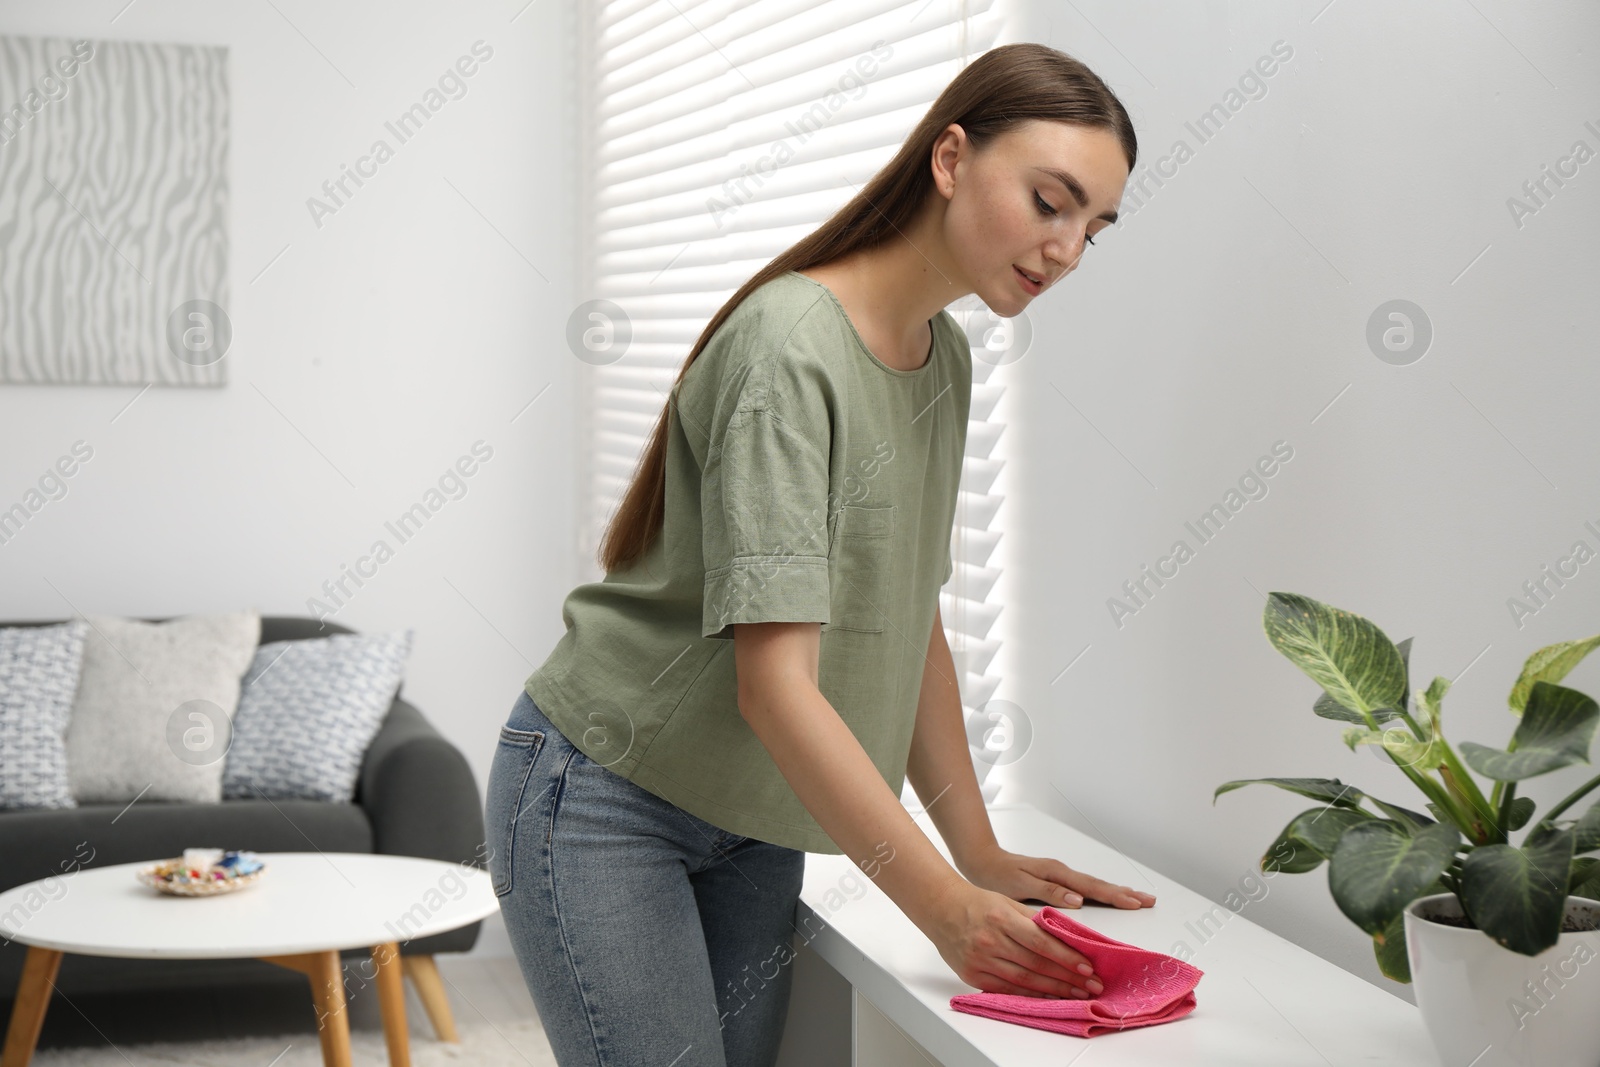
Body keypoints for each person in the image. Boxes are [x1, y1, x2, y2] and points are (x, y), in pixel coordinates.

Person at [484, 41, 1155, 1067]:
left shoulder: (945, 353)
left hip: (755, 810)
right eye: (1049, 200)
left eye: (1093, 230)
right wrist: (944, 909)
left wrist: (974, 850)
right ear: (949, 158)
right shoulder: (790, 346)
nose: (1066, 248)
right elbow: (776, 687)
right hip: (606, 794)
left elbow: (904, 610)